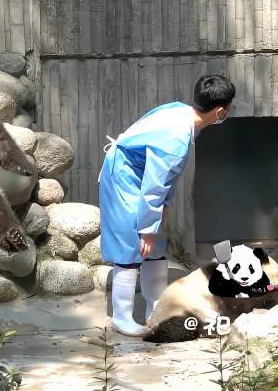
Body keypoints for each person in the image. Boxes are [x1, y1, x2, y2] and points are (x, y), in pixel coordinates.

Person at [98, 75, 236, 336]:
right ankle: (122, 316)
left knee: (156, 245)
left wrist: (163, 212)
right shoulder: (177, 138)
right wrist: (148, 227)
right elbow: (155, 185)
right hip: (125, 175)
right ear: (220, 110)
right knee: (133, 243)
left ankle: (156, 308)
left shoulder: (181, 111)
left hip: (143, 173)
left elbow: (162, 180)